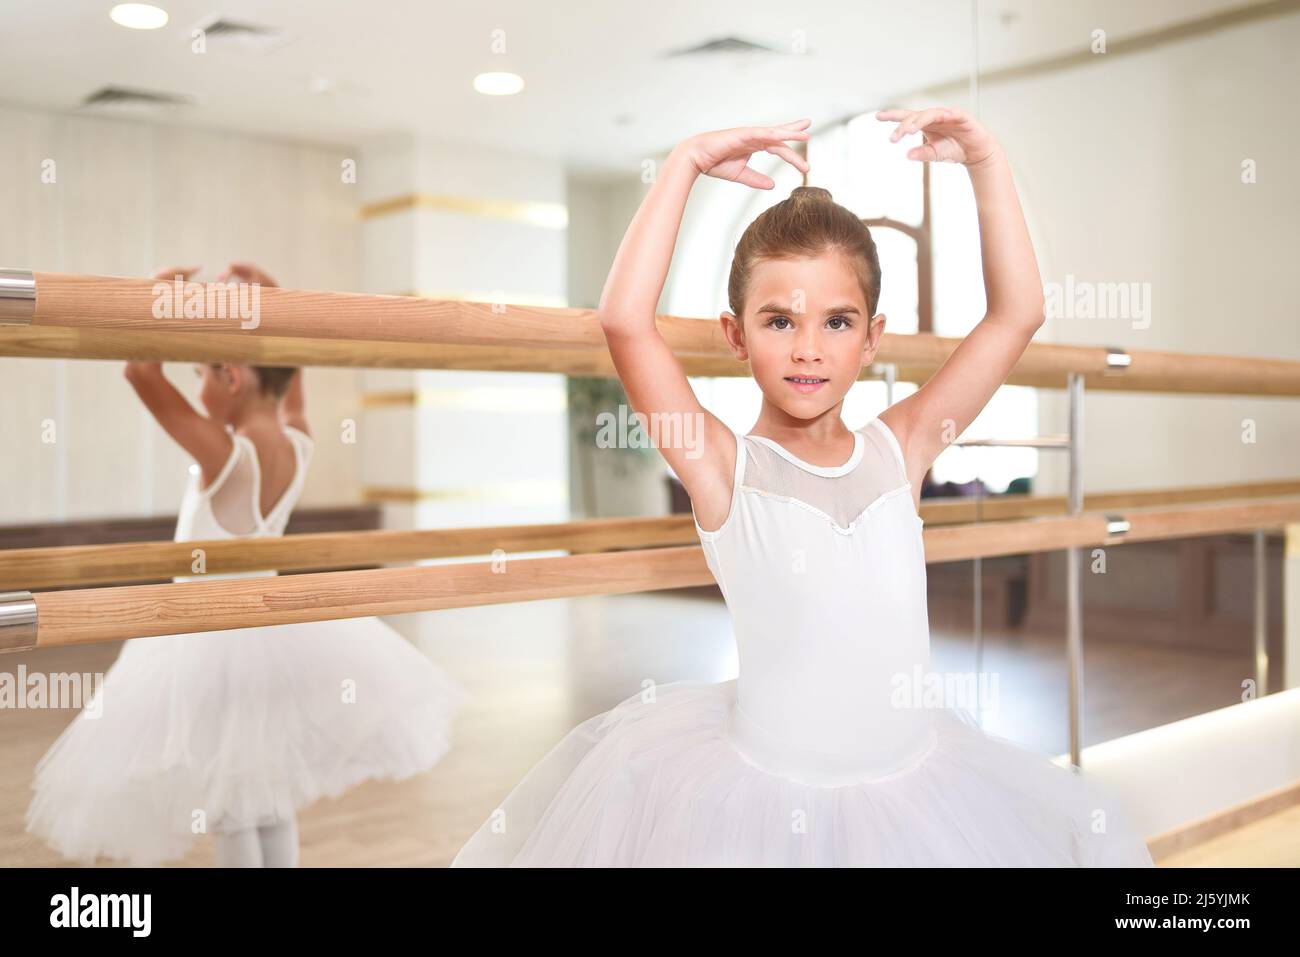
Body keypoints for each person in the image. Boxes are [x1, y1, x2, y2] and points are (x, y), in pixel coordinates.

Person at [452, 109, 1154, 866]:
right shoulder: (721, 467)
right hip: (765, 804)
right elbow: (625, 321)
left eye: (838, 321)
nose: (810, 348)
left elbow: (1020, 313)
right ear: (736, 334)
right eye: (780, 321)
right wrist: (685, 162)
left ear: (872, 337)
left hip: (919, 791)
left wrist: (986, 159)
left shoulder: (903, 446)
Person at [26, 262, 467, 867]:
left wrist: (155, 298)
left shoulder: (225, 454)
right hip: (270, 631)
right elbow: (291, 378)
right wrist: (278, 302)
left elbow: (136, 369)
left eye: (201, 373)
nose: (199, 387)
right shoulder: (299, 442)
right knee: (265, 791)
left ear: (230, 377)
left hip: (207, 637)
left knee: (230, 799)